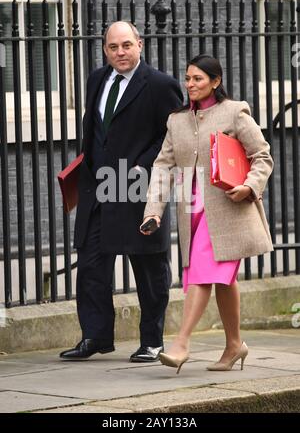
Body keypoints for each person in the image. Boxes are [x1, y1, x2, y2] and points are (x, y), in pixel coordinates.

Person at [141, 54, 273, 373]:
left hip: (229, 213)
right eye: (187, 79)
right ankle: (234, 345)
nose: (190, 85)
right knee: (222, 280)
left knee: (203, 272)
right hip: (193, 213)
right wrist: (153, 211)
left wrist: (249, 186)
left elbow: (262, 155)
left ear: (215, 81)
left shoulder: (235, 112)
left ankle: (181, 343)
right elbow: (162, 166)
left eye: (197, 79)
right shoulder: (177, 120)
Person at [60, 21, 183, 362]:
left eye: (126, 45)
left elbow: (169, 135)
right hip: (97, 189)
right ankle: (95, 337)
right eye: (113, 47)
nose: (120, 52)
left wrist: (142, 165)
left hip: (136, 191)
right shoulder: (97, 79)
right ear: (105, 50)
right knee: (91, 266)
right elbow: (97, 131)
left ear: (139, 45)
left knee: (148, 268)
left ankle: (152, 341)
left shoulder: (160, 85)